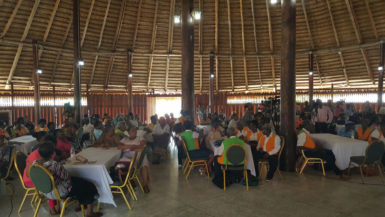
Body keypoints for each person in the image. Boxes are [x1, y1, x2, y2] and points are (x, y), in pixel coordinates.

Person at [30, 142, 102, 217]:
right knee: (87, 185)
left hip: (45, 192)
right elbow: (66, 177)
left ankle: (81, 204)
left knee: (79, 182)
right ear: (53, 153)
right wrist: (61, 166)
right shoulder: (54, 164)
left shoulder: (35, 164)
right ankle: (90, 213)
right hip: (59, 192)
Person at [118, 127, 150, 193]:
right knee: (120, 165)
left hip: (139, 156)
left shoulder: (139, 138)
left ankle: (145, 185)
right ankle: (127, 182)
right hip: (127, 157)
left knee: (144, 165)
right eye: (132, 131)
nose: (135, 132)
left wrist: (130, 147)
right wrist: (131, 146)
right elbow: (119, 146)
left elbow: (143, 145)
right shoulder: (124, 139)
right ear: (128, 133)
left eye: (135, 131)